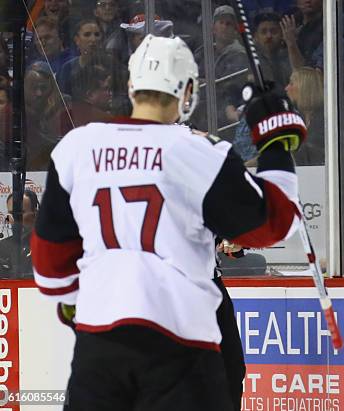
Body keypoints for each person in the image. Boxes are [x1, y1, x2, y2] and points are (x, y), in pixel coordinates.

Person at [31, 34, 307, 410]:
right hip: (180, 346)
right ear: (188, 90)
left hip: (99, 350)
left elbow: (50, 265)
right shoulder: (200, 152)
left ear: (131, 86)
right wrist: (275, 143)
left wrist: (80, 306)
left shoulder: (76, 148)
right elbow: (275, 224)